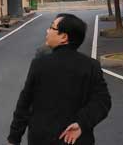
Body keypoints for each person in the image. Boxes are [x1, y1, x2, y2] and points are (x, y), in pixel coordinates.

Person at [8, 13, 111, 145]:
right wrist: (82, 123)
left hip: (42, 139)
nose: (47, 31)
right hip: (77, 140)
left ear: (64, 37)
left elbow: (25, 103)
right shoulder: (91, 66)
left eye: (52, 27)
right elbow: (103, 101)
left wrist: (14, 138)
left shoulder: (40, 64)